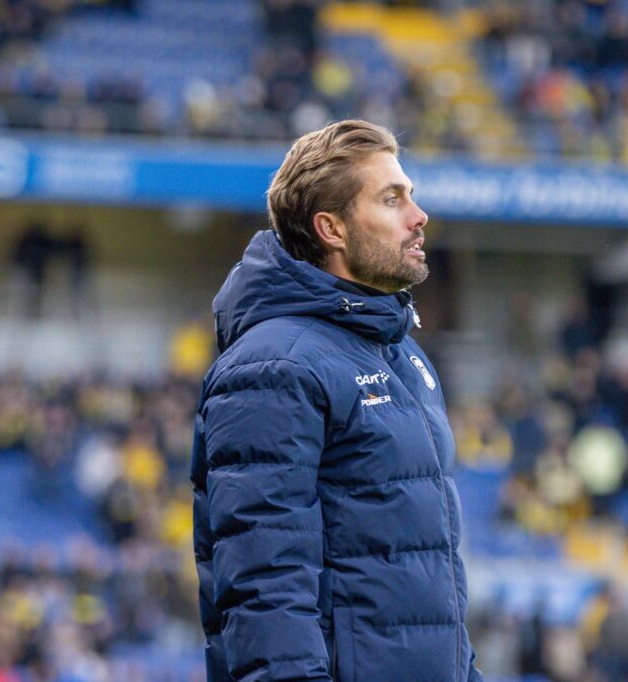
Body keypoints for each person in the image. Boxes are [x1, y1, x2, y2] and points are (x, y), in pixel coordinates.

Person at [190, 119, 484, 681]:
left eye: (412, 197)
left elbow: (433, 582)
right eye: (392, 199)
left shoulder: (405, 358)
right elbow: (266, 588)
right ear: (332, 228)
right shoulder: (275, 365)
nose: (419, 218)